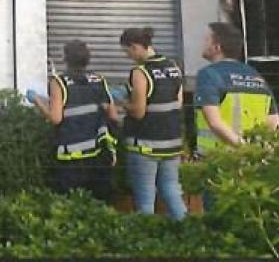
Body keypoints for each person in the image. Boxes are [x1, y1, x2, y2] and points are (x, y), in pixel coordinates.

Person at [27, 40, 118, 203]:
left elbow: (56, 118)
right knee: (99, 202)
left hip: (70, 158)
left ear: (65, 59)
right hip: (97, 154)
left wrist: (37, 101)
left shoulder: (59, 82)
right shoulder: (99, 79)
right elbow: (113, 115)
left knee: (69, 204)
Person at [118, 27, 187, 220]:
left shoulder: (140, 72)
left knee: (145, 200)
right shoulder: (173, 66)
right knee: (171, 190)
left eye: (128, 51)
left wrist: (123, 103)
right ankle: (187, 230)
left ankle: (146, 240)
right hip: (171, 142)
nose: (129, 56)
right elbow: (178, 102)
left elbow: (138, 112)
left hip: (145, 144)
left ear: (135, 47)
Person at [194, 22, 279, 153]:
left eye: (207, 40)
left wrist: (244, 148)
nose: (202, 44)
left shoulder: (209, 74)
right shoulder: (256, 76)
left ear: (217, 47)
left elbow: (214, 122)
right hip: (252, 160)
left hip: (218, 158)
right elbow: (275, 124)